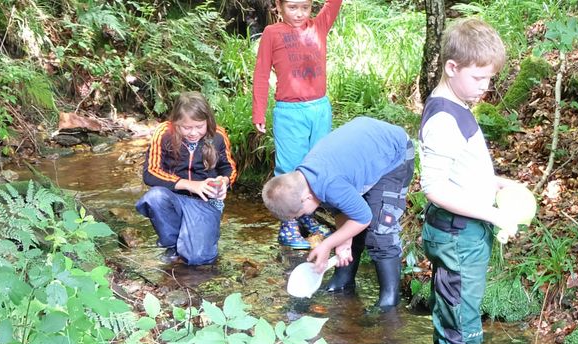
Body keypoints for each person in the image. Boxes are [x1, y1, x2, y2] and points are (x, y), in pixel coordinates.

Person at [418, 18, 527, 344]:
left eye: (490, 77)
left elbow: (461, 170)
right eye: (478, 77)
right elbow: (435, 187)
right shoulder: (444, 118)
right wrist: (493, 214)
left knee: (457, 320)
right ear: (451, 67)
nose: (485, 86)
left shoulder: (458, 107)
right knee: (460, 327)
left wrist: (495, 184)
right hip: (459, 236)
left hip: (466, 231)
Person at [261, 116, 414, 309]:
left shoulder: (329, 183)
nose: (302, 217)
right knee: (348, 231)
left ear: (306, 199)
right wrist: (343, 243)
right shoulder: (306, 180)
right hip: (365, 153)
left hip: (394, 155)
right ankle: (344, 280)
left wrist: (327, 245)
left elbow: (362, 217)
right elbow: (342, 210)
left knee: (380, 230)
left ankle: (389, 300)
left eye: (300, 215)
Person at [253, 0, 342, 249]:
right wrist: (258, 111)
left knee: (316, 165)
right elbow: (261, 73)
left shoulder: (319, 25)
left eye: (305, 7)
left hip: (319, 109)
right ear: (279, 6)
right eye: (292, 7)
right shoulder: (273, 33)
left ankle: (306, 216)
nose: (299, 13)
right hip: (289, 111)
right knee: (290, 168)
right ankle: (288, 226)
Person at [137, 92, 236, 265]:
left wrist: (224, 182)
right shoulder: (164, 133)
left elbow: (229, 168)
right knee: (154, 197)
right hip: (174, 199)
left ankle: (194, 240)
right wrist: (190, 185)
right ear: (175, 123)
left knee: (198, 259)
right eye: (186, 127)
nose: (193, 133)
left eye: (199, 126)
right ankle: (174, 245)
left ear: (208, 121)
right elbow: (150, 173)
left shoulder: (218, 135)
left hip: (207, 203)